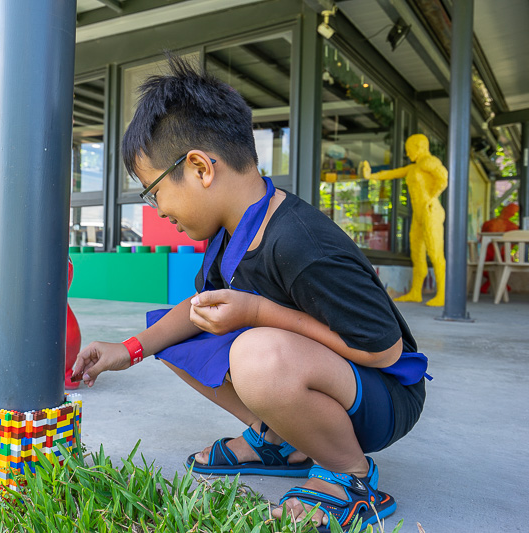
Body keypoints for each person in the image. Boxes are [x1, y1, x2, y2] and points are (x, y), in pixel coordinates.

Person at [72, 57, 427, 532]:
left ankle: (349, 476)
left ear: (198, 167)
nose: (158, 210)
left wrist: (260, 311)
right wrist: (130, 349)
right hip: (325, 377)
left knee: (256, 352)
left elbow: (383, 351)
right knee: (176, 330)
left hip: (384, 396)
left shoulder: (302, 243)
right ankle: (281, 440)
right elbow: (193, 314)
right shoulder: (229, 231)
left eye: (153, 192)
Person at [360, 134, 447, 306]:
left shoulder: (429, 162)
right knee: (417, 253)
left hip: (431, 211)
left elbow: (443, 178)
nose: (408, 153)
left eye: (409, 149)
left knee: (435, 253)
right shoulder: (414, 168)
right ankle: (416, 292)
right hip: (419, 214)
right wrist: (372, 176)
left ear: (420, 147)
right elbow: (393, 173)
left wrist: (432, 196)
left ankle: (443, 294)